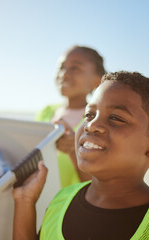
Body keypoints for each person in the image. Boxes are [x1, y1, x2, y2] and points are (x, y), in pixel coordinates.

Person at [13, 71, 149, 239]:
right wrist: (24, 201)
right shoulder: (60, 201)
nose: (92, 125)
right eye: (89, 115)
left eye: (116, 118)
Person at [36, 45, 106, 188]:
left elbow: (95, 185)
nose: (64, 74)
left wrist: (73, 151)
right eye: (61, 67)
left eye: (75, 68)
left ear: (96, 81)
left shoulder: (97, 122)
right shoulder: (46, 112)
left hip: (66, 205)